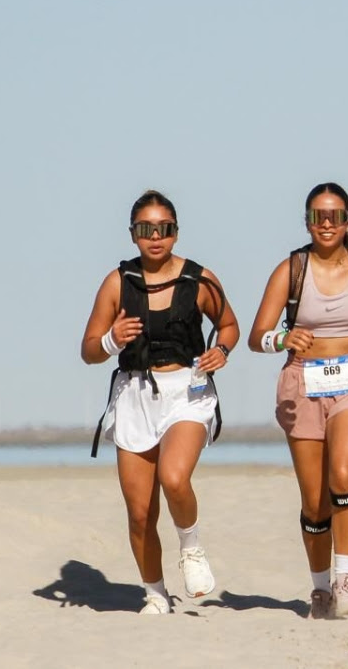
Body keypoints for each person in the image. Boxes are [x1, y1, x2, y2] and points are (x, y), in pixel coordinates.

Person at [247, 182, 348, 620]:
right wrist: (283, 336)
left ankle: (346, 578)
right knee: (315, 504)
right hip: (303, 383)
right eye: (318, 216)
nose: (327, 223)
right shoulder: (290, 271)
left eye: (335, 216)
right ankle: (320, 586)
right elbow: (255, 337)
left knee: (343, 473)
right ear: (307, 222)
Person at [80, 190, 240, 614]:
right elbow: (89, 350)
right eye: (145, 229)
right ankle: (155, 592)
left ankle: (190, 547)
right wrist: (112, 340)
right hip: (134, 395)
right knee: (139, 512)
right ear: (132, 234)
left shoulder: (199, 279)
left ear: (176, 232)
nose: (155, 237)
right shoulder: (118, 282)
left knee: (173, 477)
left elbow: (228, 325)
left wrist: (221, 351)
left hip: (187, 391)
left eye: (164, 229)